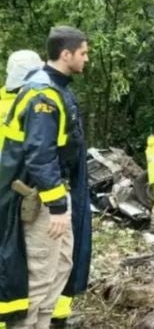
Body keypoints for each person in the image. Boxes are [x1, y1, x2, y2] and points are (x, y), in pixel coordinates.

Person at [0, 26, 91, 329]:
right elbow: (40, 155)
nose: (87, 59)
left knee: (60, 267)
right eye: (83, 53)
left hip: (54, 196)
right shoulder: (43, 95)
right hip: (40, 202)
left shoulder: (56, 88)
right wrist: (57, 206)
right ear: (66, 54)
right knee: (39, 279)